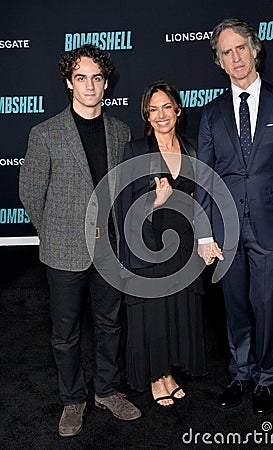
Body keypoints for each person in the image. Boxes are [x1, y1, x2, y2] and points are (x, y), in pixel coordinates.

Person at [19, 44, 141, 437]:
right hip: (63, 251)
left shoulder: (120, 131)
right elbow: (31, 194)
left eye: (97, 78)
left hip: (109, 249)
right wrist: (55, 233)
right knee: (65, 333)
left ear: (106, 83)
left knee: (110, 325)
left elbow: (123, 192)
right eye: (81, 78)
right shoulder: (45, 133)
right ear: (69, 82)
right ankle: (73, 399)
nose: (90, 86)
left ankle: (107, 390)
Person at [195, 18, 273, 416]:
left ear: (254, 49)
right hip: (227, 230)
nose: (235, 57)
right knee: (236, 307)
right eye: (226, 53)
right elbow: (205, 179)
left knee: (267, 305)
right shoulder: (210, 115)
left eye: (240, 48)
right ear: (220, 62)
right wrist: (204, 233)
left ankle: (265, 378)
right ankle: (240, 374)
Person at [119, 80, 208, 407]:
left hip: (184, 245)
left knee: (175, 310)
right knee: (154, 314)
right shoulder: (135, 151)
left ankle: (168, 371)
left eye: (166, 107)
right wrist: (155, 202)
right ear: (146, 114)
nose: (161, 115)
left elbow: (203, 198)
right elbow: (122, 207)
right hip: (148, 244)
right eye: (153, 109)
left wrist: (207, 237)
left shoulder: (192, 148)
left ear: (178, 110)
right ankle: (156, 377)